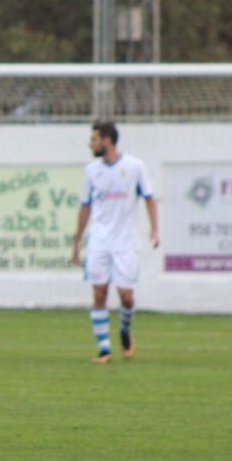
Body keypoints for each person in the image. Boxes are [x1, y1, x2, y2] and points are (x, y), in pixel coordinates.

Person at [71, 121, 159, 364]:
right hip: (99, 241)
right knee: (99, 294)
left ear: (107, 140)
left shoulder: (134, 167)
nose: (91, 144)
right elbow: (85, 207)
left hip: (126, 242)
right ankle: (104, 349)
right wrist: (77, 242)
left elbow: (150, 199)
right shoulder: (91, 171)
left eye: (94, 139)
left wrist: (155, 230)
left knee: (127, 297)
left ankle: (125, 331)